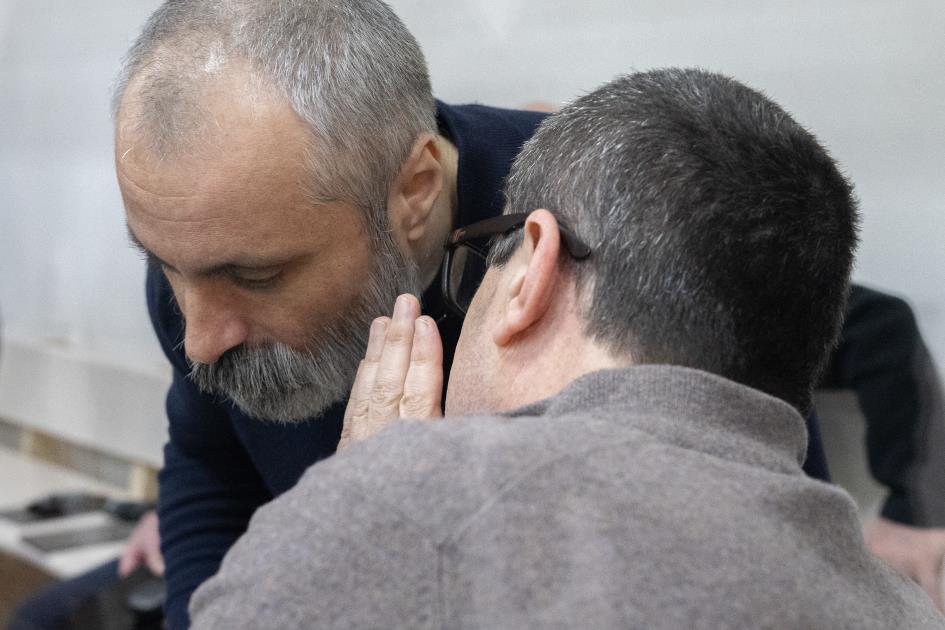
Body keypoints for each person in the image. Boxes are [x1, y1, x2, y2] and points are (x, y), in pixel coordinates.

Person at [103, 2, 939, 628]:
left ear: (415, 189)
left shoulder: (610, 219)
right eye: (161, 264)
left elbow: (756, 510)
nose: (198, 335)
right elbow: (209, 465)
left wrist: (378, 520)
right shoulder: (203, 261)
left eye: (257, 275)